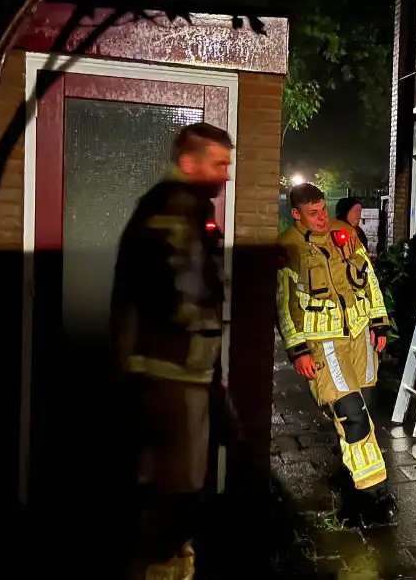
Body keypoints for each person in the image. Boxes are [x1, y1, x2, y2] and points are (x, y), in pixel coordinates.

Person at [110, 123, 233, 579]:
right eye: (219, 163)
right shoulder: (173, 212)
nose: (226, 175)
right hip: (168, 379)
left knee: (178, 496)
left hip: (183, 377)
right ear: (190, 162)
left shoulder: (184, 209)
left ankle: (176, 565)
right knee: (173, 496)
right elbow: (183, 301)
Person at [277, 183, 398, 525]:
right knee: (353, 416)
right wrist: (297, 350)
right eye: (312, 214)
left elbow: (368, 281)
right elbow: (285, 306)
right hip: (324, 342)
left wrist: (380, 323)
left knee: (367, 408)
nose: (321, 219)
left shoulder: (344, 234)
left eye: (323, 211)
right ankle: (374, 493)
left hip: (360, 338)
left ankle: (353, 472)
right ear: (296, 214)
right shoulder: (288, 248)